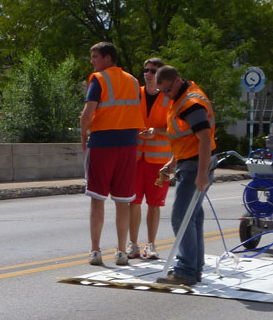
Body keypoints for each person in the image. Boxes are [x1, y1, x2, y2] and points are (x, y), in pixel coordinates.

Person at [80, 42, 145, 266]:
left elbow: (87, 113)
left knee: (97, 199)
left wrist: (83, 137)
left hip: (102, 144)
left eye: (95, 57)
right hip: (127, 145)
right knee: (123, 201)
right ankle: (120, 251)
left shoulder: (99, 79)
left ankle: (95, 251)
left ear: (108, 58)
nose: (92, 61)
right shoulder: (134, 81)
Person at [152, 65, 215, 286]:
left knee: (181, 216)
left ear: (177, 81)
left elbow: (205, 139)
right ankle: (194, 268)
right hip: (188, 161)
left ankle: (186, 270)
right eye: (161, 92)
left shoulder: (190, 104)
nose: (165, 95)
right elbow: (186, 138)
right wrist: (173, 161)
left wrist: (202, 174)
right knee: (193, 217)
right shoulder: (180, 99)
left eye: (167, 90)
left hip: (195, 165)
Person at [127, 57, 171, 260]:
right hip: (135, 159)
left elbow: (176, 129)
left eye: (153, 71)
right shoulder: (136, 95)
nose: (148, 74)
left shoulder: (169, 98)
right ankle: (133, 244)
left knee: (155, 204)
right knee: (133, 202)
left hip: (160, 162)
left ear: (161, 74)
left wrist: (157, 132)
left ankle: (151, 245)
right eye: (146, 70)